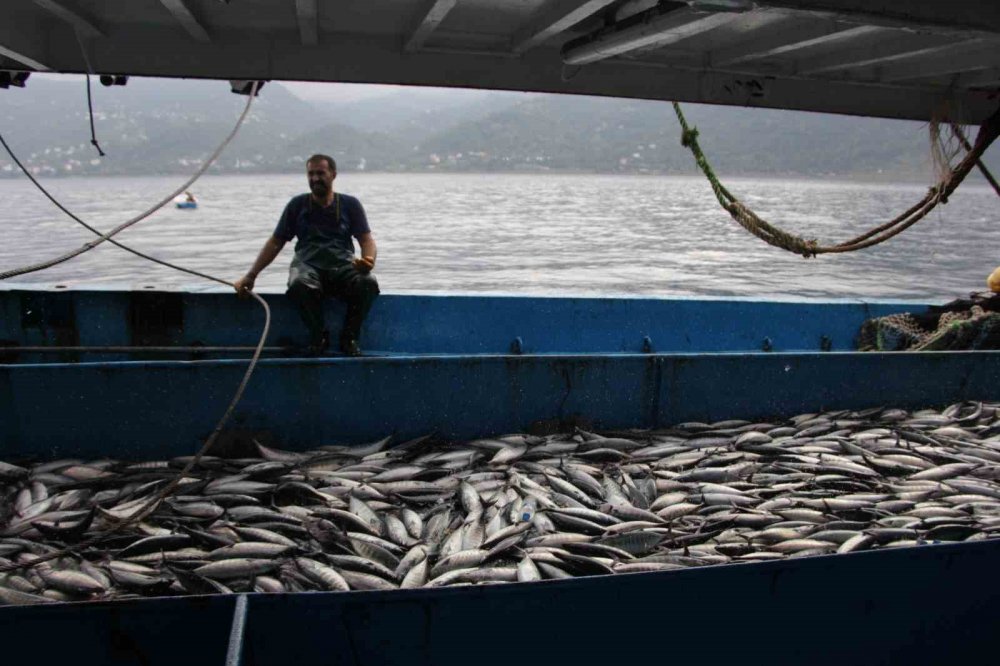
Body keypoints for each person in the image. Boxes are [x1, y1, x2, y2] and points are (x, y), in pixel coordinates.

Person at [234, 154, 379, 356]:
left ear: (333, 174)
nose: (315, 178)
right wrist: (251, 275)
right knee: (299, 284)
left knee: (368, 283)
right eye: (311, 174)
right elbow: (276, 242)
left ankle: (350, 337)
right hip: (308, 266)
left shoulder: (350, 204)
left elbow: (366, 239)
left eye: (321, 173)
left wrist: (368, 261)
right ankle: (319, 336)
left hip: (342, 266)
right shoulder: (297, 205)